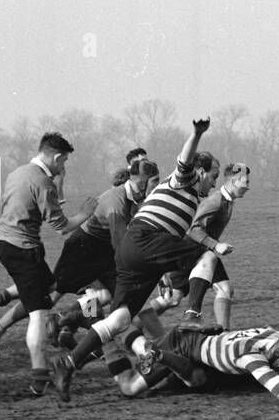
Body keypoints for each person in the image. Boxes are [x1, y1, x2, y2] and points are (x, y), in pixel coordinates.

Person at [50, 117, 222, 402]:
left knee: (117, 318)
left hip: (131, 252)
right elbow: (185, 158)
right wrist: (196, 133)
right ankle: (190, 318)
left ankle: (68, 363)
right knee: (205, 254)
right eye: (213, 176)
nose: (214, 183)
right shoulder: (181, 181)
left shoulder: (171, 198)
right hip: (125, 244)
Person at [0, 132, 97, 395]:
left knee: (50, 288)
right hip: (24, 251)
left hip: (6, 243)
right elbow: (62, 227)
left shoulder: (17, 173)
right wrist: (85, 214)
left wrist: (58, 184)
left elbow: (31, 204)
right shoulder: (43, 182)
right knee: (39, 313)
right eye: (64, 161)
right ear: (56, 157)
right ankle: (39, 376)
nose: (63, 167)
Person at [110, 315, 279, 405]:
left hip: (196, 343)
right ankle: (105, 334)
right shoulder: (250, 358)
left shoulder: (273, 334)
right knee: (129, 387)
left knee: (192, 377)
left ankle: (128, 326)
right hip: (180, 346)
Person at [145, 162, 250, 330]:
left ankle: (133, 325)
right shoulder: (215, 202)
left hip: (198, 252)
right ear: (232, 181)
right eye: (245, 182)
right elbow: (194, 230)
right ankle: (222, 333)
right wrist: (216, 245)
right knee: (220, 289)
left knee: (173, 298)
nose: (247, 186)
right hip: (190, 252)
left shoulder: (226, 201)